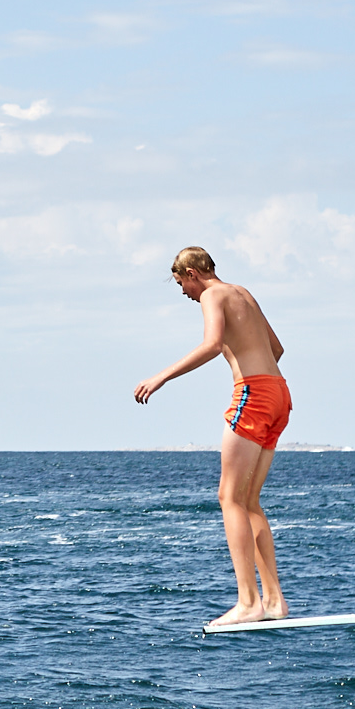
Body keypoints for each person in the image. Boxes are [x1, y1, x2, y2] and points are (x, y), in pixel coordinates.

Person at [133, 246, 290, 626]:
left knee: (228, 497)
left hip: (252, 393)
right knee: (249, 500)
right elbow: (277, 349)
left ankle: (248, 602)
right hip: (279, 392)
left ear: (191, 273)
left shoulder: (212, 293)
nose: (185, 294)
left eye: (181, 284)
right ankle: (274, 602)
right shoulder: (243, 293)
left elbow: (212, 344)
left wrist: (160, 377)